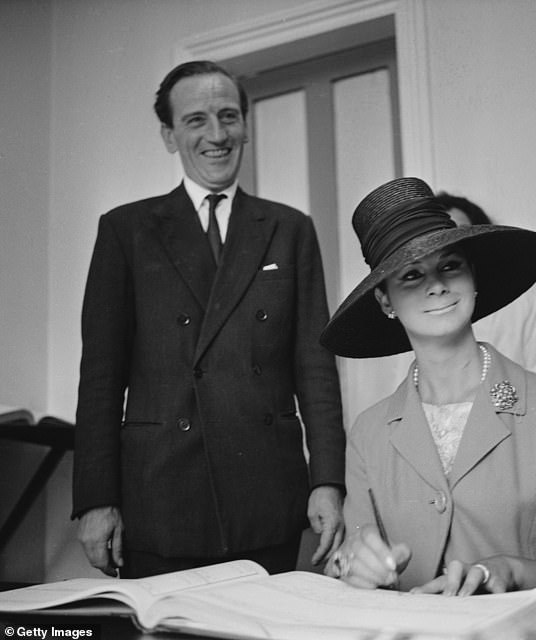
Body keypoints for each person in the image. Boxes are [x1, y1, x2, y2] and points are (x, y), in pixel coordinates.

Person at [72, 60, 345, 578]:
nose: (217, 135)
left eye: (228, 116)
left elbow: (316, 369)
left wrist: (328, 481)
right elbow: (101, 379)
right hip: (159, 495)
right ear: (169, 135)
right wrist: (95, 500)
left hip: (266, 494)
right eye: (196, 120)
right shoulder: (126, 230)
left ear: (246, 124)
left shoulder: (289, 229)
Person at [319, 177, 536, 614]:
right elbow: (356, 566)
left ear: (472, 275)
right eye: (411, 274)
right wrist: (350, 566)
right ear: (385, 301)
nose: (436, 285)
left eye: (450, 265)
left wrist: (511, 571)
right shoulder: (369, 433)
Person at [435, 192, 536, 385]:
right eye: (444, 236)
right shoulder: (422, 310)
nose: (453, 245)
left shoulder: (520, 303)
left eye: (461, 233)